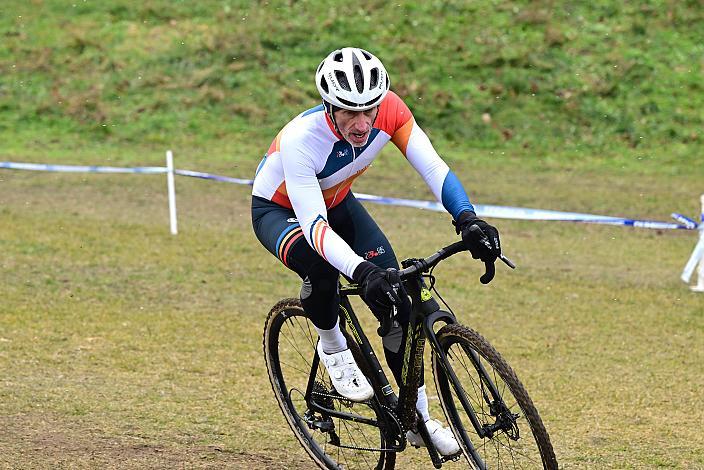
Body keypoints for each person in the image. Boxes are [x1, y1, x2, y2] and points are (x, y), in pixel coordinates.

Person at [251, 47, 501, 456]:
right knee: (324, 266)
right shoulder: (301, 140)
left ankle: (418, 418)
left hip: (337, 201)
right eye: (350, 111)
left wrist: (468, 219)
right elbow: (313, 227)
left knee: (399, 304)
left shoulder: (392, 112)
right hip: (279, 211)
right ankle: (332, 347)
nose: (363, 122)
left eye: (370, 108)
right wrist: (360, 272)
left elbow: (434, 168)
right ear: (329, 106)